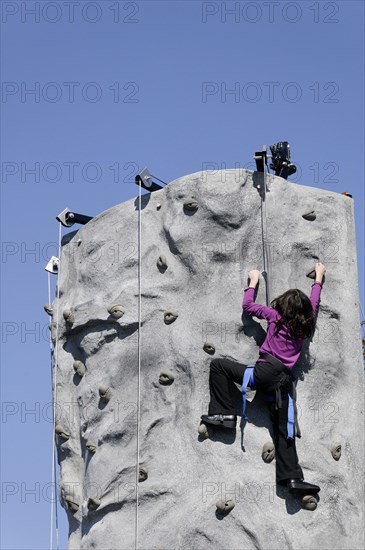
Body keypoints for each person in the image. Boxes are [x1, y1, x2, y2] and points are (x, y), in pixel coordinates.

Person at [201, 262, 326, 495]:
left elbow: (248, 306)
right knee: (284, 429)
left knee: (218, 366)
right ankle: (291, 479)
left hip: (264, 373)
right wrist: (318, 278)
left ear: (284, 306)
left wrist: (253, 281)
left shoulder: (274, 317)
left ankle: (223, 414)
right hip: (283, 383)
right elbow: (315, 303)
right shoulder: (305, 324)